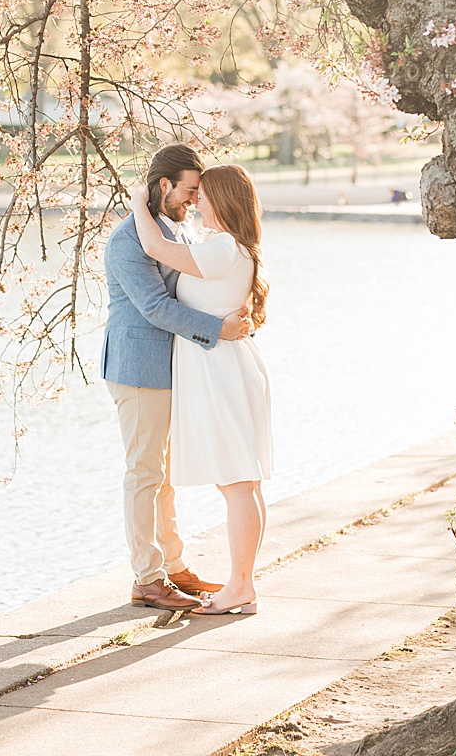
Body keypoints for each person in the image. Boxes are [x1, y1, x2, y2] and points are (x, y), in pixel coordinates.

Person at [102, 143, 252, 611]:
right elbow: (154, 306)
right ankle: (147, 577)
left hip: (170, 368)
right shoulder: (130, 240)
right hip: (140, 366)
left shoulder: (175, 231)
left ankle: (174, 564)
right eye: (188, 191)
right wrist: (220, 329)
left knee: (164, 476)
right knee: (145, 472)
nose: (193, 201)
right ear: (163, 185)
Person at [130, 163, 273, 616]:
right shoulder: (225, 248)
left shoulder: (223, 249)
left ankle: (240, 588)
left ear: (223, 200)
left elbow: (152, 244)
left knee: (235, 484)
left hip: (220, 372)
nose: (196, 202)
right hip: (224, 367)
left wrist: (138, 201)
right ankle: (243, 585)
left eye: (203, 194)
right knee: (242, 483)